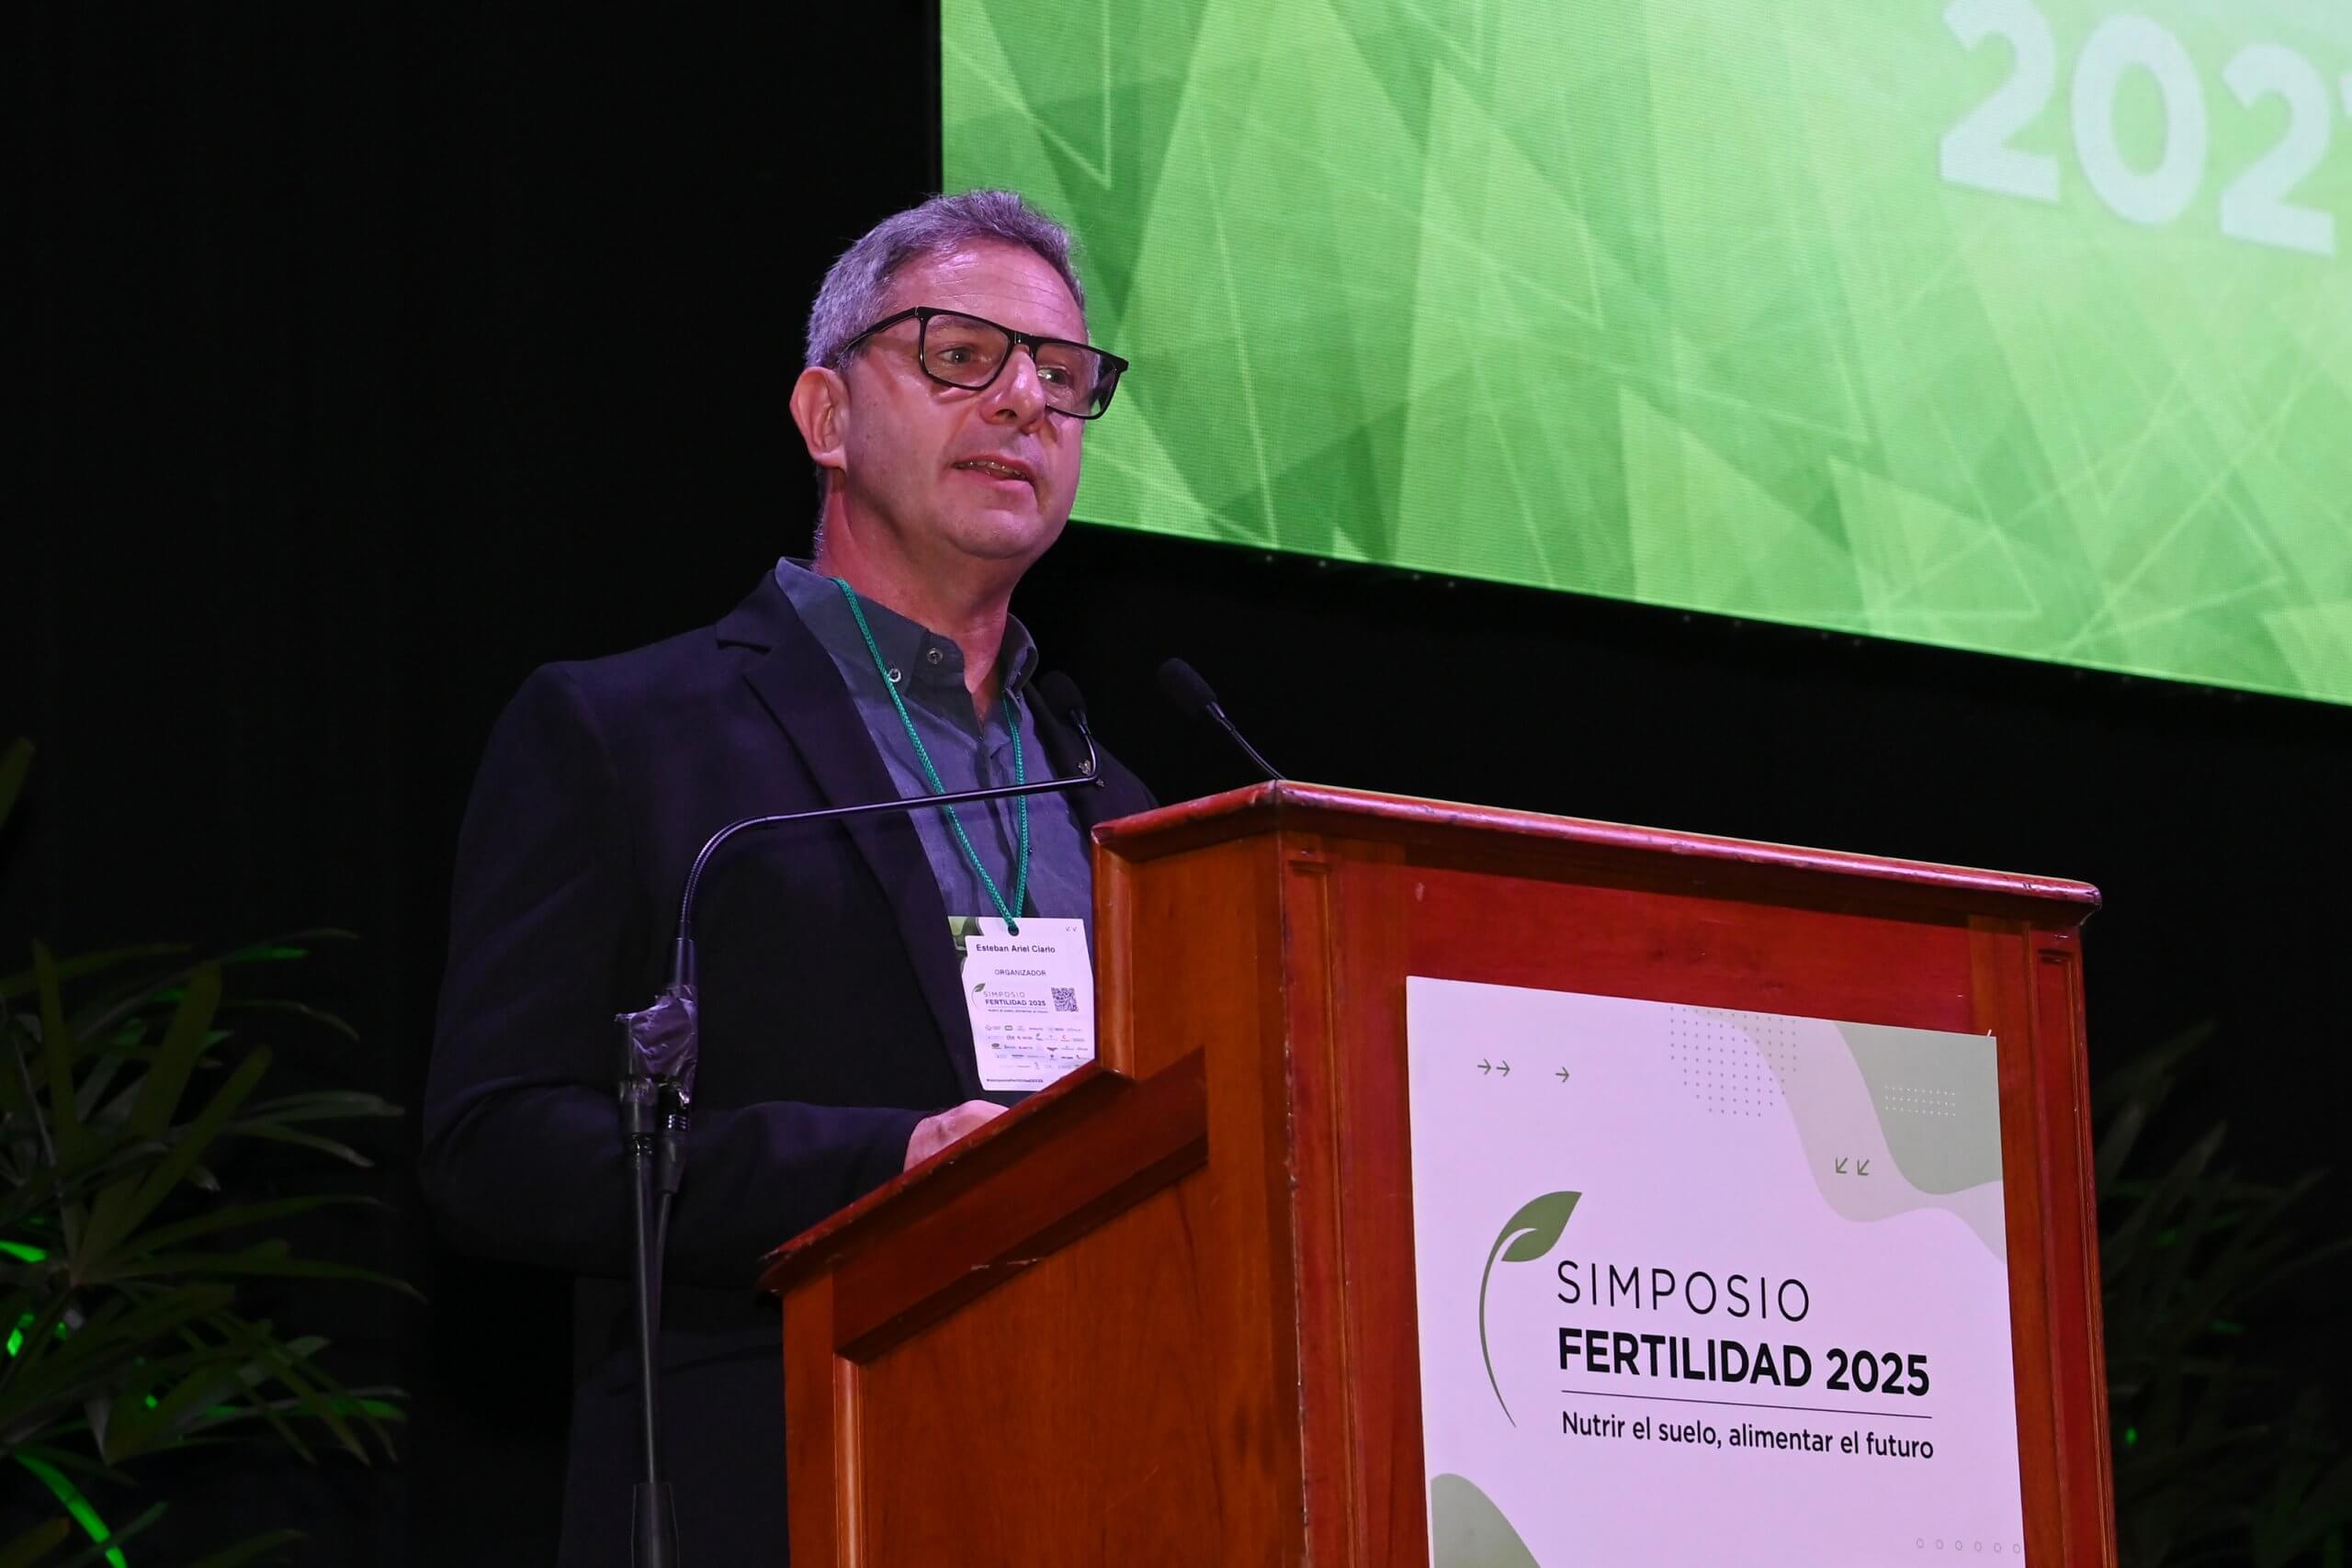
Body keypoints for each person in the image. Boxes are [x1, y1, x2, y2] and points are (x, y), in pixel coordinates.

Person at [421, 188, 1155, 1565]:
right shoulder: (630, 735)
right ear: (827, 415)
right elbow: (494, 1150)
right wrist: (882, 1168)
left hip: (1105, 1480)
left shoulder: (1122, 808)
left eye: (1063, 378)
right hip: (779, 1488)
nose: (1024, 402)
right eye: (960, 356)